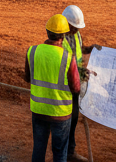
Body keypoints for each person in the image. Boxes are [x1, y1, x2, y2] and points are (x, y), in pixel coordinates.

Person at [25, 14, 82, 162]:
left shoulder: (32, 51)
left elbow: (27, 78)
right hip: (60, 113)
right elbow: (76, 88)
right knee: (59, 153)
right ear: (63, 36)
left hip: (38, 110)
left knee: (38, 148)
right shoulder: (68, 57)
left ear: (47, 31)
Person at [62, 4, 97, 162]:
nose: (77, 30)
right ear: (67, 24)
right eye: (74, 27)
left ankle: (69, 150)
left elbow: (79, 49)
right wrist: (80, 72)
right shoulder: (60, 39)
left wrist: (90, 49)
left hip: (75, 81)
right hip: (65, 84)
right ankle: (66, 152)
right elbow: (65, 63)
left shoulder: (76, 35)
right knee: (66, 119)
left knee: (73, 118)